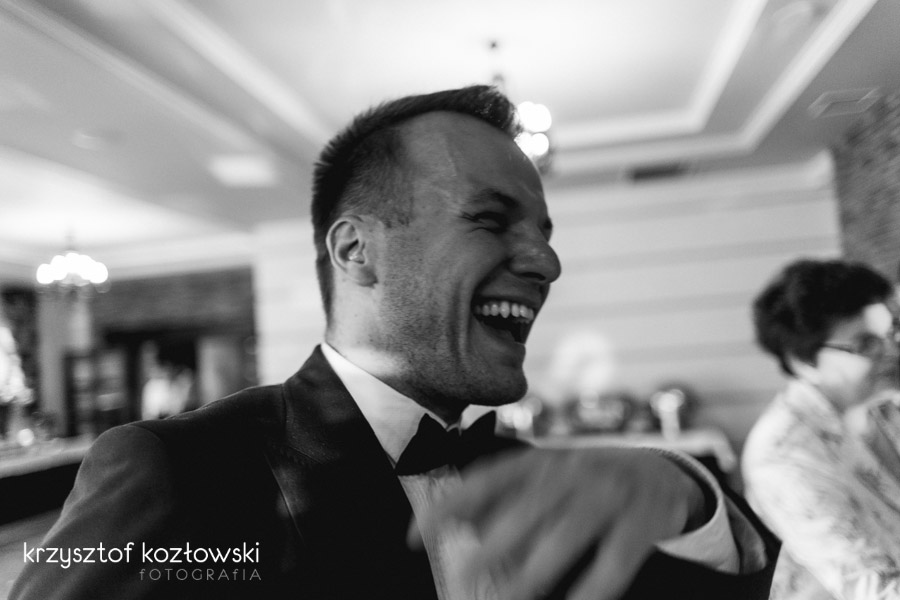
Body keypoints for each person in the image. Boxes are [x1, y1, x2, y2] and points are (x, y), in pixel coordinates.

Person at [12, 86, 777, 600]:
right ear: (356, 251)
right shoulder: (180, 470)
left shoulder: (529, 478)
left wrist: (680, 494)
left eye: (543, 233)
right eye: (490, 219)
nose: (546, 262)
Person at [743, 258, 900, 600]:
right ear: (803, 360)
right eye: (867, 344)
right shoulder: (783, 456)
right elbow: (869, 586)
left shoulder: (887, 406)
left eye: (892, 333)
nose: (893, 351)